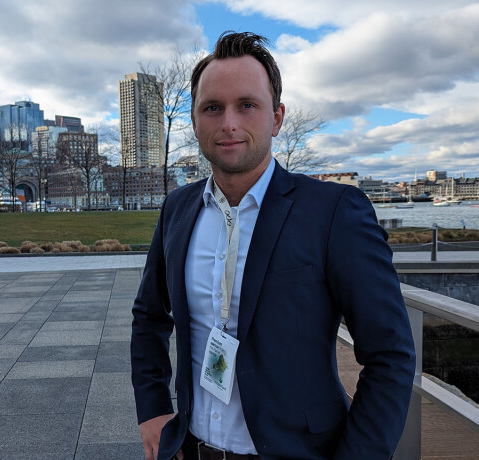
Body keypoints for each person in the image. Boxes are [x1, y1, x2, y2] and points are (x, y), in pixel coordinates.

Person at [131, 31, 416, 460]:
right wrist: (153, 408)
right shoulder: (178, 208)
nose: (229, 123)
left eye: (247, 105)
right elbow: (149, 316)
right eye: (212, 107)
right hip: (191, 449)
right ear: (194, 120)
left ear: (277, 118)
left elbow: (390, 355)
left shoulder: (333, 212)